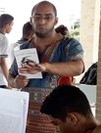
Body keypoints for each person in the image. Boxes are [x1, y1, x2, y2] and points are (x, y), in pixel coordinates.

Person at [8, 1, 84, 132]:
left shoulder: (68, 45)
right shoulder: (23, 48)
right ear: (31, 20)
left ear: (56, 20)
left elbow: (79, 67)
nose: (42, 22)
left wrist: (46, 67)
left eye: (48, 17)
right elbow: (11, 76)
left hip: (59, 121)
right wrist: (16, 82)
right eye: (37, 17)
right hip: (27, 121)